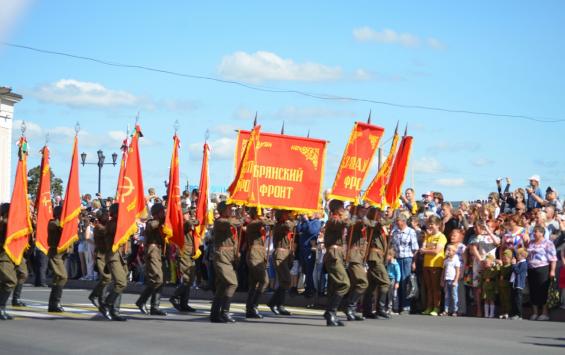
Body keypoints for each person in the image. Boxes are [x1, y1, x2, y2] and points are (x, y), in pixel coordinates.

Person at [210, 201, 242, 323]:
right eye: (229, 209)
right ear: (223, 210)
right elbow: (232, 223)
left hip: (229, 257)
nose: (231, 210)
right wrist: (241, 218)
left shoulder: (230, 220)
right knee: (232, 283)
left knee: (222, 286)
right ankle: (225, 312)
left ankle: (214, 314)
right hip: (222, 257)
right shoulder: (220, 221)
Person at [135, 203, 167, 316]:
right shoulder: (151, 222)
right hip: (153, 252)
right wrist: (162, 220)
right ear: (156, 213)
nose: (164, 213)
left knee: (159, 281)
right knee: (158, 279)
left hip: (160, 253)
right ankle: (142, 301)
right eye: (162, 212)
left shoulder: (163, 223)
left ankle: (154, 307)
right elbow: (151, 225)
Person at [322, 200, 351, 326]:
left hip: (338, 254)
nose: (343, 209)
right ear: (336, 209)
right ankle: (331, 311)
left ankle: (331, 313)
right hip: (333, 254)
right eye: (342, 207)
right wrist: (351, 217)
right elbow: (342, 223)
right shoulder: (332, 220)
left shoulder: (337, 219)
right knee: (344, 284)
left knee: (334, 286)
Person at [243, 207, 273, 318]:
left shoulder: (257, 223)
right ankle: (253, 306)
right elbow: (267, 222)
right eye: (262, 211)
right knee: (264, 281)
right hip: (255, 254)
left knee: (254, 283)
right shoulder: (253, 223)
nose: (265, 213)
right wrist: (270, 214)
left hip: (260, 254)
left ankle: (249, 309)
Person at [363, 207, 391, 319]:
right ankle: (380, 308)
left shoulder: (380, 226)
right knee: (385, 282)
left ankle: (367, 310)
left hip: (380, 256)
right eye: (379, 213)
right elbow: (383, 222)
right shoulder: (372, 224)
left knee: (372, 284)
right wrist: (392, 217)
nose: (381, 215)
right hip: (374, 256)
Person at [343, 204, 370, 321]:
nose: (364, 213)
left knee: (355, 284)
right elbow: (366, 224)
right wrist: (357, 216)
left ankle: (351, 310)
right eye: (362, 211)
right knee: (362, 282)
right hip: (354, 256)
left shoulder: (362, 221)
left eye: (365, 211)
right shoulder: (355, 223)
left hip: (360, 256)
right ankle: (349, 307)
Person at [267, 209, 296, 316]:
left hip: (287, 254)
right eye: (286, 213)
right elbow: (289, 227)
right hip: (280, 254)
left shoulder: (285, 224)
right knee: (287, 280)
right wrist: (292, 219)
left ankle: (278, 304)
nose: (288, 214)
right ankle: (273, 303)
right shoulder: (279, 226)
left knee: (284, 282)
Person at [101, 203, 128, 321]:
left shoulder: (118, 223)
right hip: (113, 257)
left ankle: (115, 311)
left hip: (119, 257)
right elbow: (118, 229)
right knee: (121, 282)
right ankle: (107, 303)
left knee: (120, 283)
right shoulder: (112, 224)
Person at [170, 209, 199, 313]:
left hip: (190, 253)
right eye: (186, 213)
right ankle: (174, 296)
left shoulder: (186, 223)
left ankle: (184, 304)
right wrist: (198, 219)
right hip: (184, 253)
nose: (189, 215)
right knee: (187, 279)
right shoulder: (182, 224)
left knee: (190, 279)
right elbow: (191, 223)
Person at [526, 225, 557, 321]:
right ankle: (535, 312)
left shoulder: (548, 243)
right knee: (533, 289)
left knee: (543, 290)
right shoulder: (531, 243)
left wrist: (552, 271)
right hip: (531, 268)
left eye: (536, 232)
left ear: (541, 233)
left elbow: (553, 258)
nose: (534, 234)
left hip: (543, 268)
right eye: (533, 232)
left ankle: (544, 313)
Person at [420, 215, 447, 316]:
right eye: (429, 223)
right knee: (429, 287)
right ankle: (429, 307)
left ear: (438, 225)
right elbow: (422, 248)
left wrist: (426, 250)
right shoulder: (428, 236)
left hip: (436, 265)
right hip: (426, 264)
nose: (430, 226)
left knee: (436, 288)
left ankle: (436, 307)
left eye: (432, 224)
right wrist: (426, 250)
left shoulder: (441, 237)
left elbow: (436, 251)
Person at [391, 214, 419, 314]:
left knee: (405, 282)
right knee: (397, 282)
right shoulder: (394, 232)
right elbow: (392, 246)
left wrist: (414, 262)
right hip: (397, 259)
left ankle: (406, 306)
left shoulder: (411, 232)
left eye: (398, 221)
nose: (396, 223)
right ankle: (397, 305)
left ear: (403, 221)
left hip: (407, 259)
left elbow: (415, 248)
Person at [88, 209, 111, 310]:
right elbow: (108, 232)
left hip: (107, 255)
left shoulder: (106, 226)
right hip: (100, 256)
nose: (108, 217)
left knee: (107, 279)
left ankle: (100, 299)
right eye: (106, 215)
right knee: (106, 278)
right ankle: (96, 297)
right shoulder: (98, 227)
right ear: (101, 217)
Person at [47, 206, 67, 312]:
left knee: (57, 279)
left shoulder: (59, 223)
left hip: (61, 254)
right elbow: (62, 230)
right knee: (62, 276)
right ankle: (55, 302)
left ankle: (53, 305)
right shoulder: (53, 223)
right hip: (55, 253)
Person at [0, 203, 17, 320]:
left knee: (8, 281)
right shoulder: (4, 223)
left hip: (10, 254)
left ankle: (2, 308)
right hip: (2, 255)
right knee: (10, 280)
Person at [440, 244, 460, 317]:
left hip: (453, 280)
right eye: (447, 250)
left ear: (454, 252)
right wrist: (442, 280)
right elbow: (443, 271)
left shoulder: (456, 260)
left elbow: (458, 271)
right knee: (447, 296)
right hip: (447, 280)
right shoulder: (446, 260)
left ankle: (455, 310)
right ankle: (446, 310)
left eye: (449, 250)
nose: (448, 251)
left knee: (454, 296)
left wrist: (455, 280)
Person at [510, 248, 528, 320]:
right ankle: (515, 314)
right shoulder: (519, 263)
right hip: (515, 284)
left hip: (519, 284)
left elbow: (517, 271)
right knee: (514, 300)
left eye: (518, 255)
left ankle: (519, 315)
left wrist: (514, 264)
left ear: (522, 255)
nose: (517, 256)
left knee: (518, 300)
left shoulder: (524, 263)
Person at [498, 249, 513, 319]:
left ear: (510, 259)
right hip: (501, 285)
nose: (504, 259)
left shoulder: (510, 266)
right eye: (503, 258)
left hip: (507, 285)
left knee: (507, 299)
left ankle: (507, 312)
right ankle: (502, 312)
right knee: (502, 299)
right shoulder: (502, 266)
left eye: (506, 258)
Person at [385, 249, 401, 315]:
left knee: (394, 295)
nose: (386, 257)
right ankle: (389, 308)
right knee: (389, 294)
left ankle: (395, 309)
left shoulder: (395, 264)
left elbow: (398, 274)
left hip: (393, 280)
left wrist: (397, 282)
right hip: (388, 279)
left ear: (391, 256)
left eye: (387, 256)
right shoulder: (387, 263)